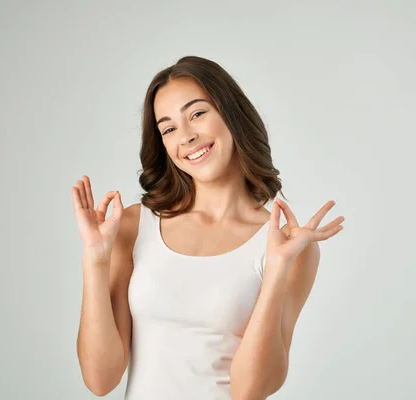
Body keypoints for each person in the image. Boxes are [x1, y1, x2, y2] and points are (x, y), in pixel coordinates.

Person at [71, 55, 344, 399]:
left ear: (230, 114)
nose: (185, 137)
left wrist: (276, 271)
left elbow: (250, 390)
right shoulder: (132, 225)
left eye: (197, 114)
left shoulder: (283, 246)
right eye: (168, 128)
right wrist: (95, 260)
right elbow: (100, 380)